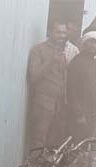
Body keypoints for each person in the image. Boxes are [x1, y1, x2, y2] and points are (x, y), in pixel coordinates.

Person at [28, 20, 70, 150]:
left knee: (54, 145)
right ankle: (35, 164)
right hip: (43, 104)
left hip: (59, 105)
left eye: (64, 32)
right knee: (38, 142)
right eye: (58, 32)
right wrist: (51, 60)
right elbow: (33, 76)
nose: (62, 35)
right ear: (49, 32)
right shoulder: (38, 50)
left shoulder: (64, 51)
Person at [67, 31, 96, 141]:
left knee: (86, 143)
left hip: (90, 113)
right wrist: (79, 114)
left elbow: (94, 88)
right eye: (90, 42)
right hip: (78, 113)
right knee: (76, 142)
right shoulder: (77, 62)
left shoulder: (95, 64)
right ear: (85, 43)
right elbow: (71, 90)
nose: (93, 45)